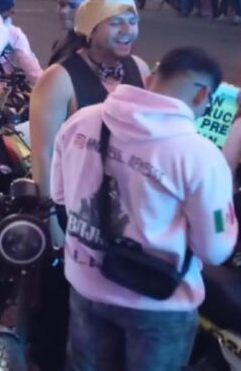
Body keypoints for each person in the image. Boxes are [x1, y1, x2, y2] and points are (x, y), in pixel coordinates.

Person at [52, 46, 237, 371]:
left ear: (150, 79)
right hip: (159, 304)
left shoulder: (82, 121)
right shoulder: (200, 156)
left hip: (87, 285)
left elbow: (60, 197)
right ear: (202, 95)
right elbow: (214, 250)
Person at [26, 0, 149, 371]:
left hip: (125, 215)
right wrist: (52, 222)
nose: (127, 30)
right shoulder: (59, 78)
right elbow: (43, 155)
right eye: (115, 23)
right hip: (74, 213)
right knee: (62, 310)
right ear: (90, 29)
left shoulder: (139, 69)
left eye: (132, 21)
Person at [50, 0, 101, 66]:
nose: (64, 11)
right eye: (61, 5)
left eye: (73, 6)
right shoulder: (61, 42)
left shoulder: (95, 49)